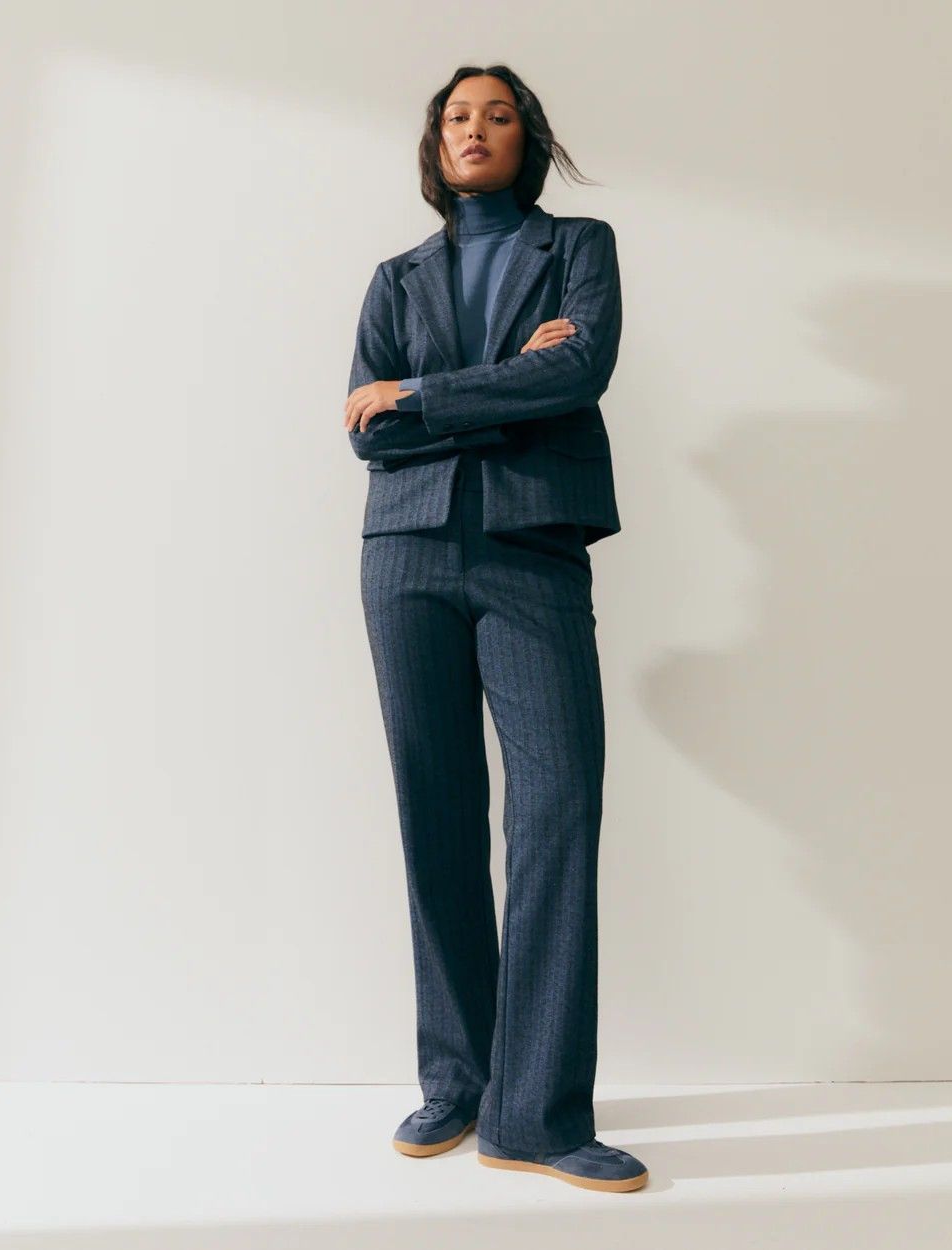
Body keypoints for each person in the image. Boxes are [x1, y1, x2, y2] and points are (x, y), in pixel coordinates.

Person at [343, 65, 647, 1194]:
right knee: (434, 812)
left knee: (557, 809)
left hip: (531, 547)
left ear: (529, 137)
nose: (475, 129)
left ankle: (539, 1112)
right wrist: (509, 379)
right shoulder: (396, 277)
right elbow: (364, 434)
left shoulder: (579, 249)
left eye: (498, 114)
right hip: (405, 553)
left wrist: (424, 394)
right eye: (457, 116)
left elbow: (580, 369)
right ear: (438, 143)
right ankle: (459, 1080)